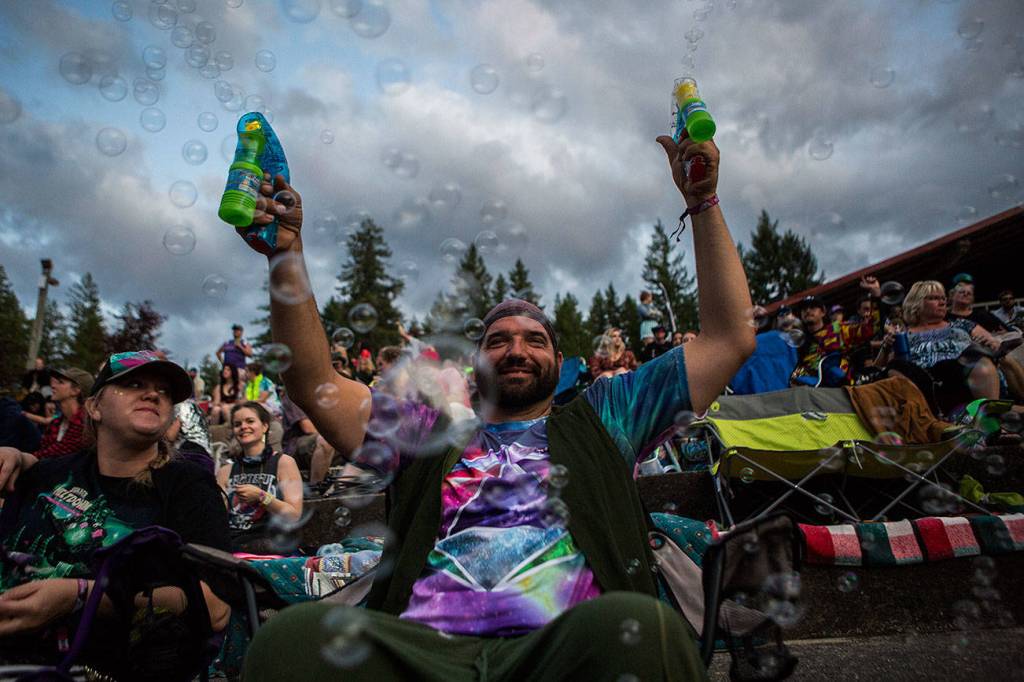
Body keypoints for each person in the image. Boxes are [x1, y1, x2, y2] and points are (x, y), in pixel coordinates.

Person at [234, 125, 754, 680]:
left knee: (647, 629)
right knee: (288, 642)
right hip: (423, 652)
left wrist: (703, 202)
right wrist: (285, 253)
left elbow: (729, 340)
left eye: (535, 340)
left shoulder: (607, 416)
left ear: (560, 360)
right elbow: (313, 381)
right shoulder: (426, 433)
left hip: (565, 648)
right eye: (498, 340)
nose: (517, 350)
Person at [0, 350, 231, 672]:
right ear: (94, 407)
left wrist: (81, 596)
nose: (153, 394)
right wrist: (15, 456)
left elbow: (216, 607)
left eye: (164, 391)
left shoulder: (188, 486)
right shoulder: (45, 474)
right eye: (133, 384)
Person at [876, 281, 1006, 415]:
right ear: (916, 303)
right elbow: (881, 368)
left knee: (979, 358)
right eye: (934, 298)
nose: (942, 302)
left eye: (943, 298)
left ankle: (990, 417)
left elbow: (994, 344)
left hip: (964, 377)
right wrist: (886, 347)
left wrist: (989, 343)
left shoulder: (962, 325)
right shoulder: (903, 335)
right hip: (923, 385)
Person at [217, 402, 303, 554]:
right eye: (237, 424)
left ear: (264, 426)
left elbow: (294, 515)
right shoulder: (225, 471)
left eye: (250, 421)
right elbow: (218, 519)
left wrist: (261, 496)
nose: (243, 427)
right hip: (234, 546)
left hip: (271, 545)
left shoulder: (284, 463)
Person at [790, 276, 881, 386]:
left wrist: (876, 296)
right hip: (813, 391)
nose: (808, 311)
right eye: (804, 309)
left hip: (843, 388)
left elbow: (870, 329)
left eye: (813, 307)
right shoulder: (798, 341)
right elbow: (793, 372)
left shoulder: (838, 329)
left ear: (823, 312)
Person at [33, 367, 94, 460]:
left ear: (75, 391)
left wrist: (22, 458)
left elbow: (55, 453)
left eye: (60, 382)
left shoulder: (85, 423)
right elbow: (44, 450)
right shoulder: (56, 422)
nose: (53, 386)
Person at [280, 389, 338, 484]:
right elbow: (308, 428)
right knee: (325, 441)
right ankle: (315, 486)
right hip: (296, 446)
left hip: (323, 441)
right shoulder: (294, 394)